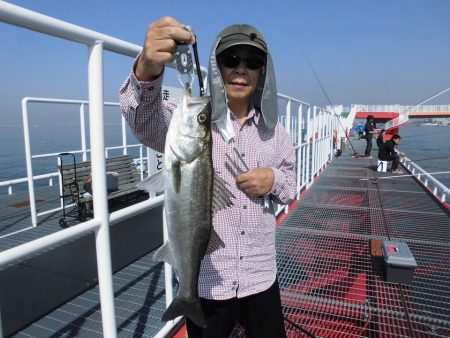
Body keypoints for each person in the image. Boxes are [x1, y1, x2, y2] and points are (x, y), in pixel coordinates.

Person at [119, 17, 296, 338]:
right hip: (207, 284)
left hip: (260, 275)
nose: (241, 69)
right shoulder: (186, 118)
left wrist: (274, 180)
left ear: (262, 73)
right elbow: (145, 123)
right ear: (216, 68)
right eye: (231, 60)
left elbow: (290, 185)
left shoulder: (277, 133)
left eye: (253, 62)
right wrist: (148, 69)